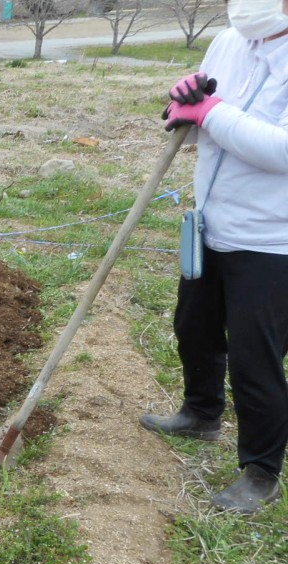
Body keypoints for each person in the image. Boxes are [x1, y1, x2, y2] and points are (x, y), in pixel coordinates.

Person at [140, 0, 288, 514]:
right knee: (194, 327)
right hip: (211, 222)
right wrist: (182, 108)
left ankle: (261, 471)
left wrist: (212, 112)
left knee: (254, 356)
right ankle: (201, 414)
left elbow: (281, 150)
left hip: (272, 240)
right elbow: (202, 122)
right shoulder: (228, 41)